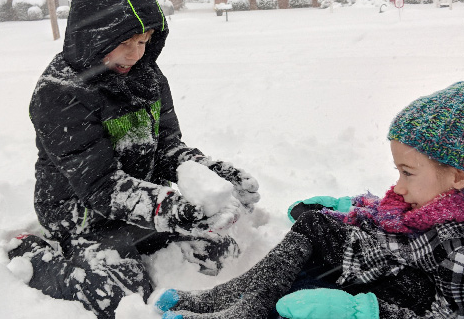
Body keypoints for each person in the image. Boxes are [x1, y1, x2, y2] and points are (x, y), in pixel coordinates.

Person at [5, 0, 259, 318]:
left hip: (142, 205)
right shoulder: (60, 93)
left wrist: (211, 174)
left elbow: (168, 146)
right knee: (121, 297)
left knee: (220, 249)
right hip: (82, 217)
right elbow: (100, 186)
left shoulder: (149, 78)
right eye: (124, 42)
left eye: (144, 41)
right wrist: (175, 210)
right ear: (95, 35)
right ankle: (35, 257)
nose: (135, 53)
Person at [153, 81, 464, 319]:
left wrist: (361, 311)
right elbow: (388, 217)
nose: (400, 186)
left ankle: (258, 308)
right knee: (315, 225)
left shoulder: (458, 250)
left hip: (393, 296)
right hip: (377, 261)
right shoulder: (429, 199)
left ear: (458, 176)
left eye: (407, 173)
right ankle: (239, 295)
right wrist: (347, 207)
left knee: (307, 299)